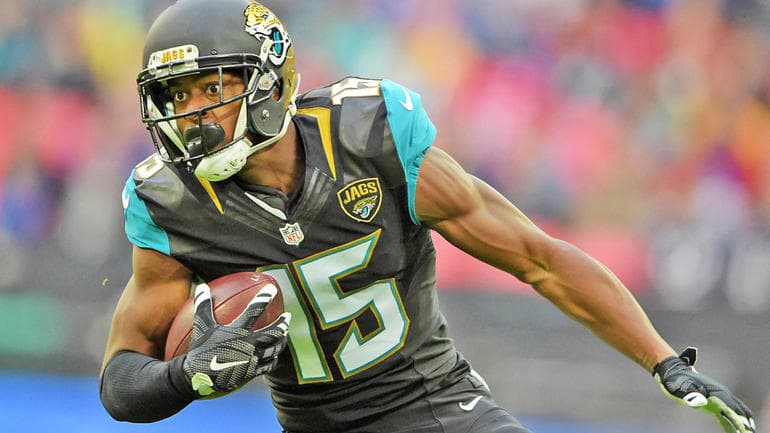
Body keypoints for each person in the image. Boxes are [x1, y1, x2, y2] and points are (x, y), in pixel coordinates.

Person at [99, 1, 755, 432]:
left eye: (211, 88)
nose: (191, 114)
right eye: (175, 96)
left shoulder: (366, 138)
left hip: (439, 408)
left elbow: (539, 259)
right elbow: (120, 377)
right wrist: (186, 375)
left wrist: (663, 361)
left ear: (269, 80)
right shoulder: (173, 203)